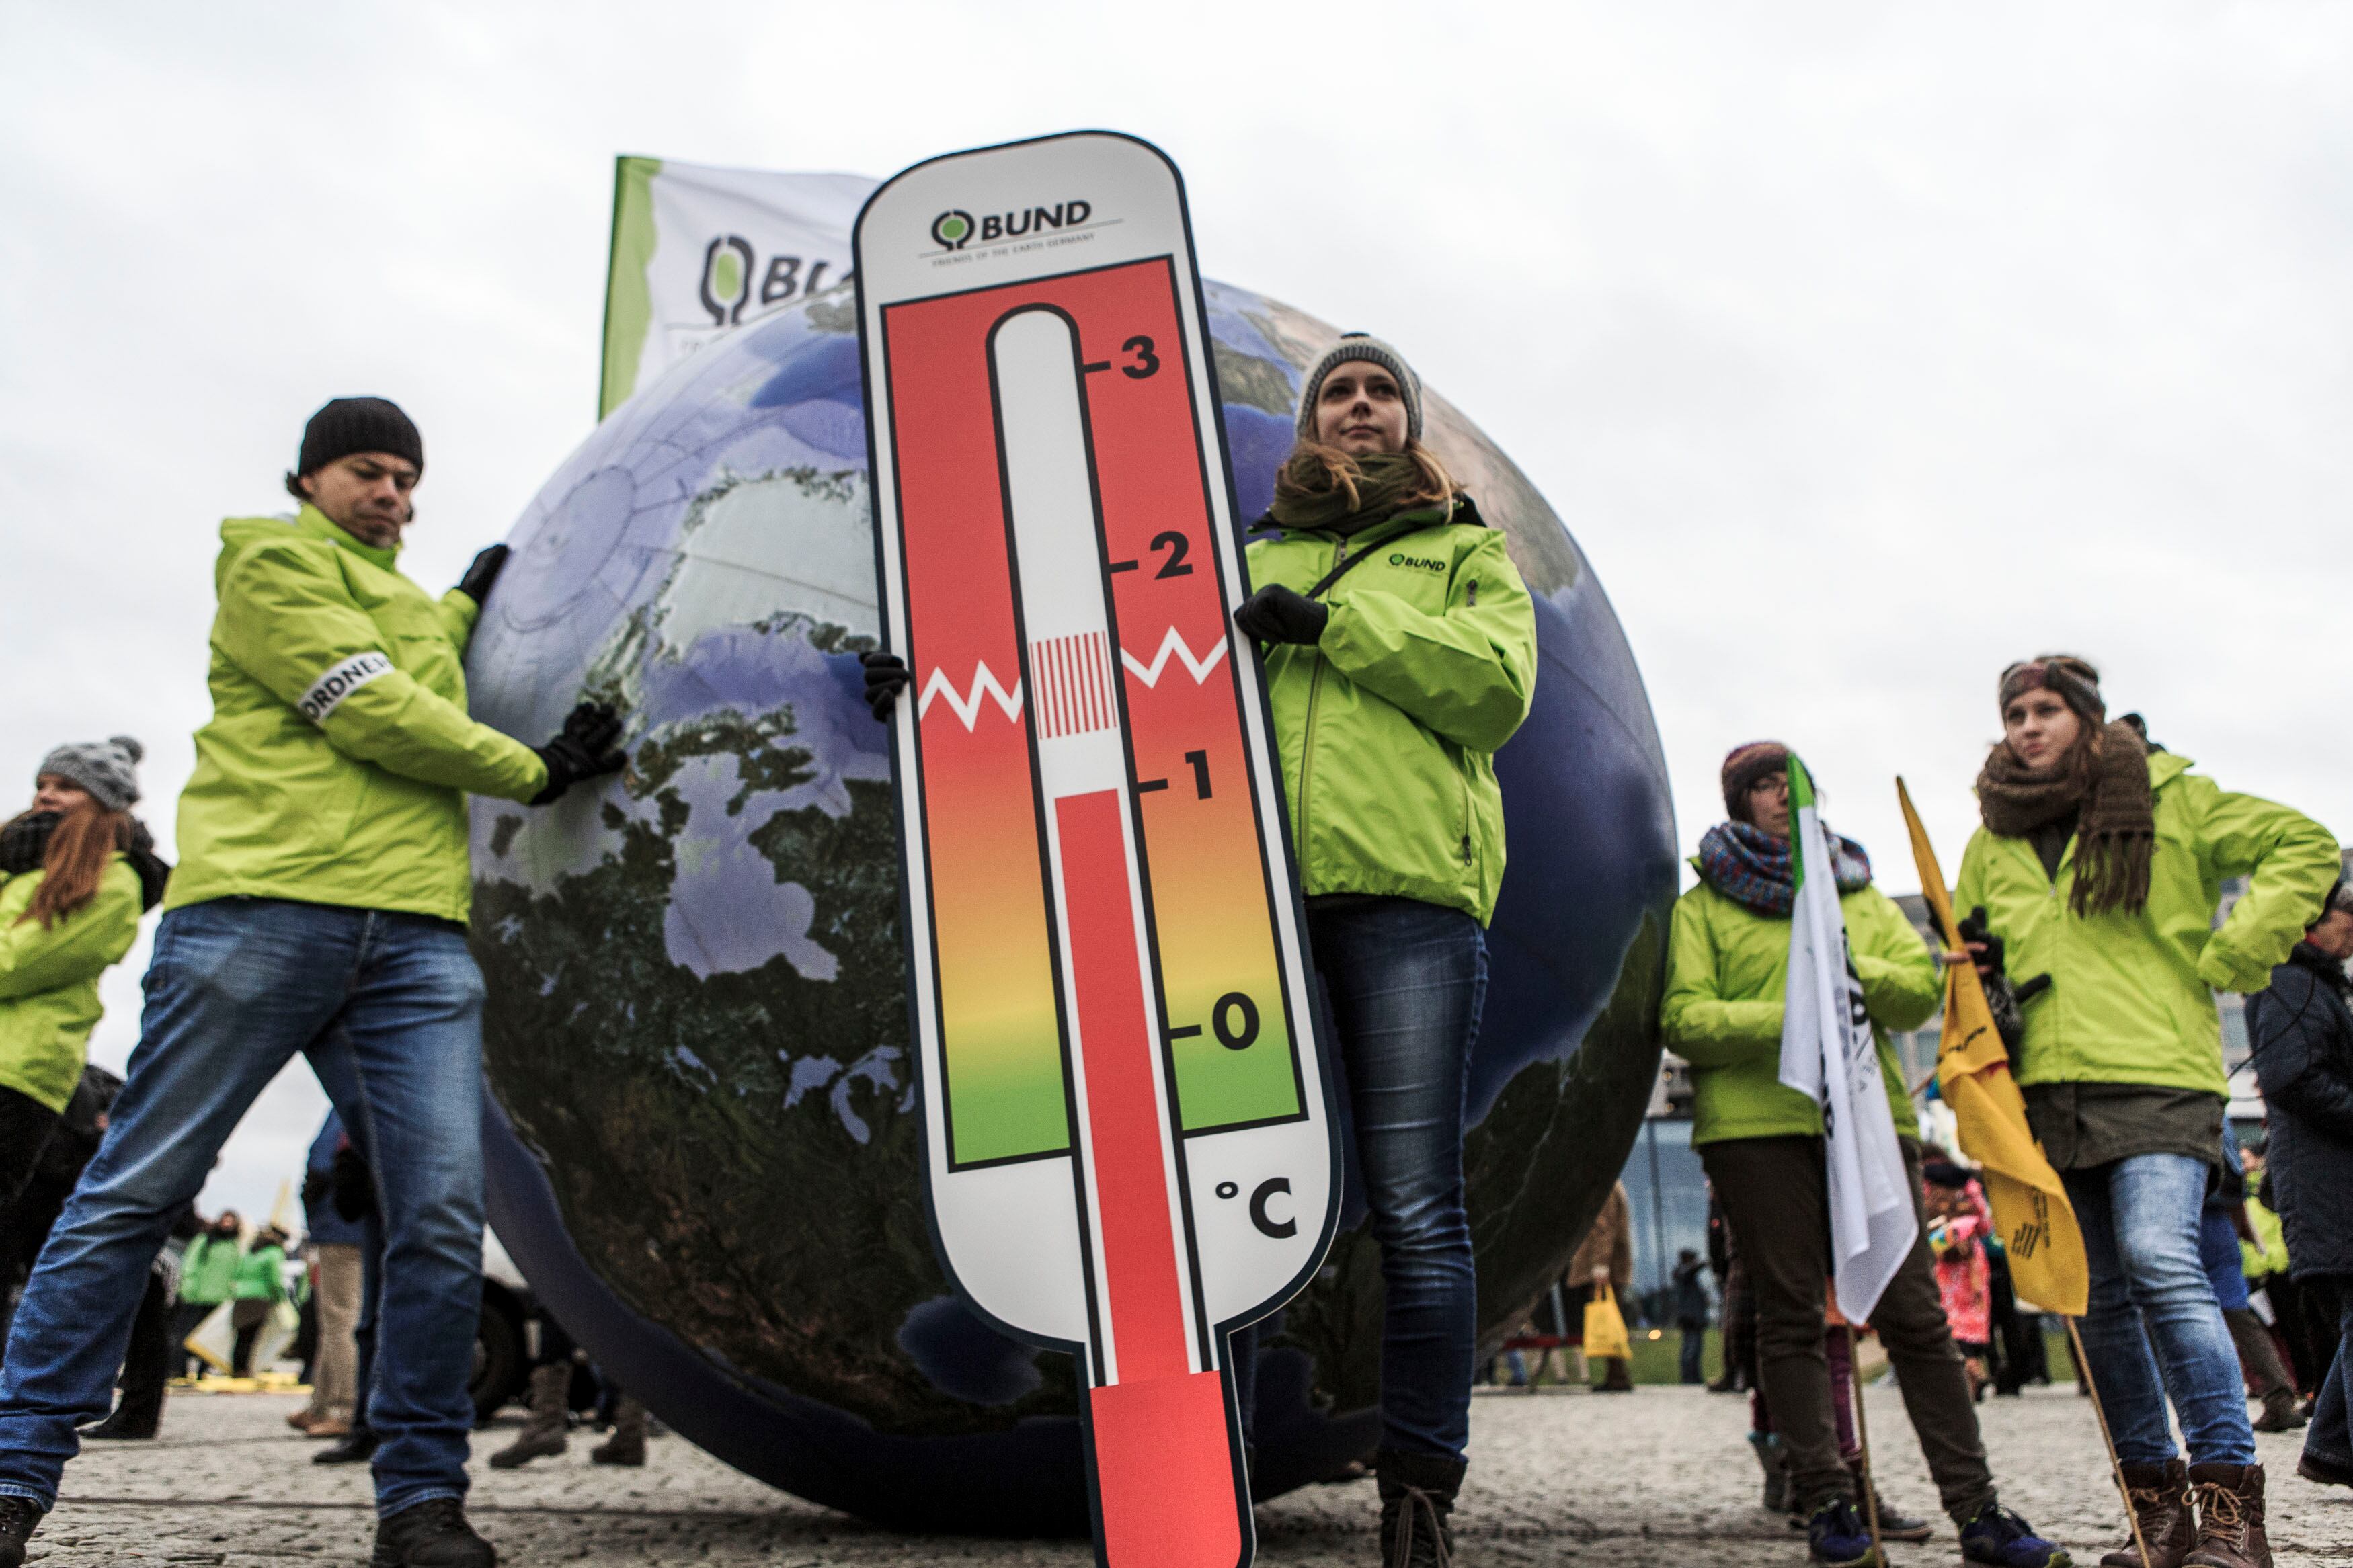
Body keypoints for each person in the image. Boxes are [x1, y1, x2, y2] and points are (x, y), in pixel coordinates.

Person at [866, 332, 1536, 1568]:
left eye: (1382, 391)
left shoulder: (1465, 554)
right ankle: (1207, 1486)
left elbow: (1496, 692)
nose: (1361, 406)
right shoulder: (1240, 557)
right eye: (1339, 391)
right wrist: (936, 684)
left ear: (1409, 420)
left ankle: (1418, 1493)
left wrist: (1333, 625)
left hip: (1410, 901)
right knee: (1222, 1201)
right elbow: (1109, 683)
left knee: (1415, 1205)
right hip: (1239, 904)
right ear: (1310, 423)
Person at [0, 396, 629, 1568]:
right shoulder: (267, 563)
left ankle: (421, 1501)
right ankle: (11, 1472)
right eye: (366, 471)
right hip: (259, 911)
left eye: (406, 478)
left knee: (438, 1215)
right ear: (307, 479)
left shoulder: (409, 606)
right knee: (137, 1188)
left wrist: (472, 596)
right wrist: (534, 770)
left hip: (417, 940)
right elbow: (373, 704)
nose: (391, 493)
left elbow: (420, 639)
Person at [1954, 656, 2338, 1568]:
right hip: (2047, 1089)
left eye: (2046, 709)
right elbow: (1972, 944)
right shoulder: (1989, 837)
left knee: (2160, 1257)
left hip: (2160, 1072)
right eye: (2014, 712)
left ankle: (2232, 1515)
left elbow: (2306, 844)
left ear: (2086, 718)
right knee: (2094, 1303)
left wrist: (2236, 954)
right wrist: (1978, 967)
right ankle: (2158, 1520)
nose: (2027, 725)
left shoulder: (2173, 797)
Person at [1664, 741, 2063, 1568]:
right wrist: (1796, 1011)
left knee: (1914, 1314)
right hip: (1755, 1130)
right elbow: (1684, 1019)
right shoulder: (1700, 906)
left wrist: (1839, 971)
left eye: (1793, 783)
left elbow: (1914, 988)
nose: (1782, 796)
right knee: (1791, 1315)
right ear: (1738, 801)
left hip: (1867, 1121)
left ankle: (1976, 1507)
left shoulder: (1853, 887)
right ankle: (1826, 1500)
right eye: (1763, 785)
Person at [0, 741, 165, 1208]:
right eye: (43, 783)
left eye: (67, 786)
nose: (46, 795)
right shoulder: (18, 864)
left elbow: (16, 963)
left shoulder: (115, 881)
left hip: (15, 1074)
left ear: (105, 803)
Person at [2243, 874, 2353, 1496]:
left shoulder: (2311, 981)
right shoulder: (2291, 981)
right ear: (2314, 919)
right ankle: (2334, 1446)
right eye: (2348, 919)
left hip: (2326, 1175)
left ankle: (2332, 1447)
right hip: (2325, 1178)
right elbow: (2294, 1078)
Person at [292, 1113, 366, 1438]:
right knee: (333, 1321)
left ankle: (347, 1409)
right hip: (352, 1226)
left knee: (341, 1320)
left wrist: (311, 1203)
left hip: (339, 1225)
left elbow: (323, 1163)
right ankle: (320, 1406)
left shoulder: (347, 1108)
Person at [1923, 1163, 1995, 1401]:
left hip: (1943, 1265)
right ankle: (1973, 1367)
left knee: (1949, 1321)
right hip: (1971, 1267)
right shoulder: (1969, 1195)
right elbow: (1985, 1227)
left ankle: (1965, 1375)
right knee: (1972, 1323)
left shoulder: (1930, 1193)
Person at [1568, 1180, 1637, 1392]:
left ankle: (1618, 1375)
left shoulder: (1605, 1186)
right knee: (1610, 1320)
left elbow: (1603, 1228)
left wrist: (1600, 1264)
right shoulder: (1612, 1185)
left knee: (1608, 1321)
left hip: (1607, 1268)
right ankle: (1616, 1374)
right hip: (1611, 1267)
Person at [171, 1212, 243, 1379]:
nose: (227, 1225)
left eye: (231, 1222)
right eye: (225, 1221)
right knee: (185, 1335)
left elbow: (236, 1271)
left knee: (209, 1337)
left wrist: (232, 1292)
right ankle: (179, 1369)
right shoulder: (205, 1241)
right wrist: (188, 1288)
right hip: (198, 1295)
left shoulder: (234, 1245)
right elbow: (190, 1264)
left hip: (220, 1297)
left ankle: (203, 1370)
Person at [227, 1224, 289, 1378]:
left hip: (241, 1296)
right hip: (260, 1298)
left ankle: (237, 1369)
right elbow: (275, 1279)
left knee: (241, 1336)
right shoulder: (275, 1253)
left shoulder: (250, 1252)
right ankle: (245, 1370)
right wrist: (280, 1298)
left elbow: (237, 1273)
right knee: (252, 1337)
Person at [1671, 1247, 1712, 1385]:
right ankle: (1689, 1378)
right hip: (1691, 1319)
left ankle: (1694, 1377)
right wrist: (1705, 1263)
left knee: (1694, 1349)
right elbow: (1691, 1270)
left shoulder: (1686, 1277)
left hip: (1693, 1319)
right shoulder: (1682, 1272)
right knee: (1691, 1349)